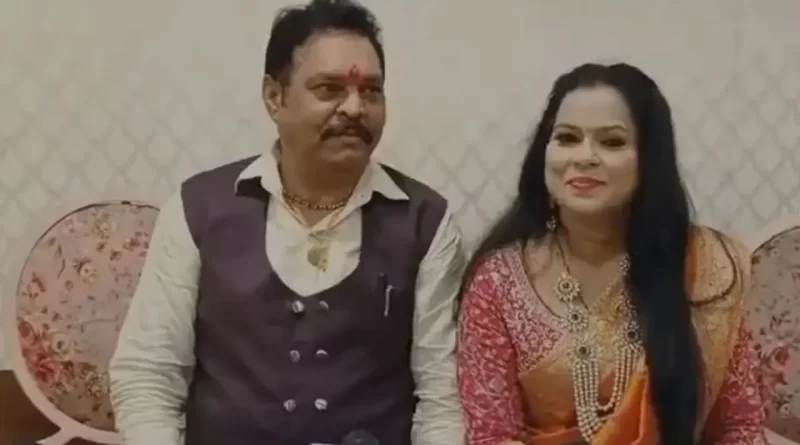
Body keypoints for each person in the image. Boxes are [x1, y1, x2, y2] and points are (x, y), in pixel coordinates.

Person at [109, 1, 465, 444]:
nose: (355, 107)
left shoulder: (426, 223)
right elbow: (148, 375)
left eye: (372, 91)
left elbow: (443, 399)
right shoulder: (197, 210)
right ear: (274, 97)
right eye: (329, 89)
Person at [456, 63, 767, 445]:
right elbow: (491, 435)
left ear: (649, 160)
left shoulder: (705, 269)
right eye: (567, 138)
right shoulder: (498, 282)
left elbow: (740, 428)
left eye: (612, 142)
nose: (585, 156)